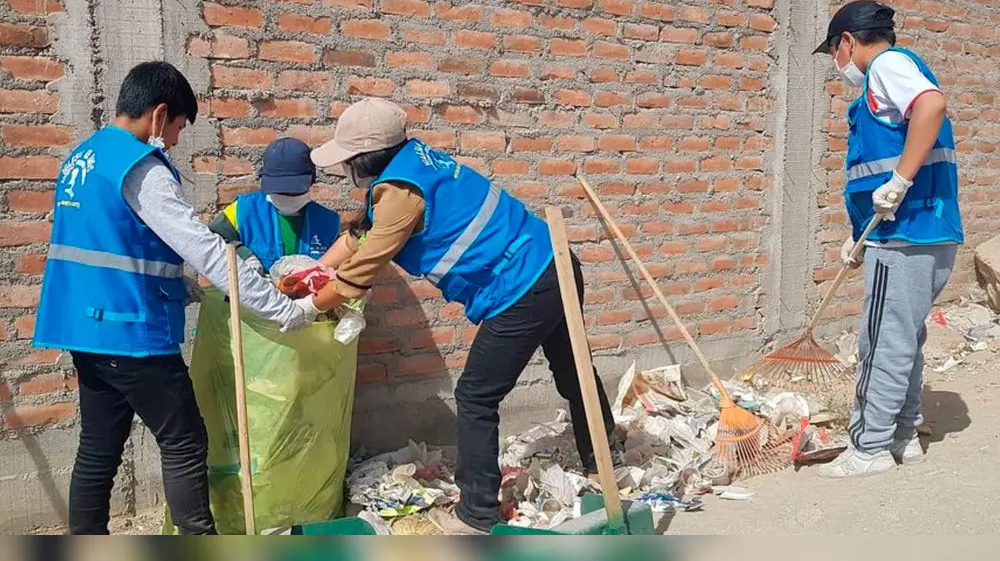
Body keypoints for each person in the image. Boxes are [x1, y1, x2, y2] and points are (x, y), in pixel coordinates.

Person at [305, 97, 618, 533]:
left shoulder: (400, 194)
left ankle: (476, 514)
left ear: (364, 159)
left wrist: (303, 307)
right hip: (554, 261)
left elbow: (360, 272)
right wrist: (314, 271)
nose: (345, 169)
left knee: (475, 397)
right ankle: (604, 459)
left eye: (347, 161)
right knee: (573, 370)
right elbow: (361, 235)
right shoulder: (415, 162)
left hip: (522, 288)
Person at [32, 61, 319, 534]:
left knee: (98, 448)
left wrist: (182, 288)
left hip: (84, 329)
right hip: (131, 331)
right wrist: (283, 310)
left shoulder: (85, 158)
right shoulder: (141, 166)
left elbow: (113, 245)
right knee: (184, 441)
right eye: (180, 128)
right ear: (160, 114)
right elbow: (204, 247)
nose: (177, 140)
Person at [813, 1, 963, 478]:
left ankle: (869, 447)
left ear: (846, 42)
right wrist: (857, 235)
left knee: (881, 342)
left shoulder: (885, 66)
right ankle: (902, 434)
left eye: (833, 53)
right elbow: (878, 170)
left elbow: (931, 106)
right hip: (924, 230)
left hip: (904, 235)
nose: (838, 64)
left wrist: (899, 181)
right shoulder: (895, 74)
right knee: (904, 339)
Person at [208, 137, 341, 274]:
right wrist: (242, 254)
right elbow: (211, 240)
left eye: (293, 191)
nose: (287, 196)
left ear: (312, 181)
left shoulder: (328, 223)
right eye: (280, 191)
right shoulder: (243, 210)